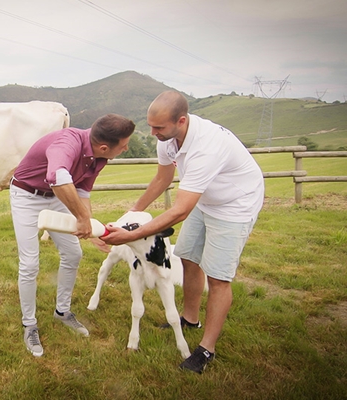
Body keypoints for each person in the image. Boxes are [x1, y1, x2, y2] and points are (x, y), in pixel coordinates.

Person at [102, 90, 264, 374]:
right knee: (188, 258)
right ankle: (190, 319)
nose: (153, 133)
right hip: (205, 199)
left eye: (159, 128)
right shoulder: (167, 138)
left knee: (218, 278)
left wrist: (130, 235)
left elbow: (179, 211)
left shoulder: (207, 146)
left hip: (235, 204)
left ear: (181, 120)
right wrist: (130, 215)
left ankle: (206, 349)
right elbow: (163, 178)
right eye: (151, 126)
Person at [10, 114, 135, 357]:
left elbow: (81, 192)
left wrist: (93, 229)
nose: (126, 147)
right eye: (124, 144)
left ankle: (62, 311)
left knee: (73, 253)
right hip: (26, 195)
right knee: (29, 263)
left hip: (58, 197)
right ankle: (29, 323)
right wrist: (82, 219)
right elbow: (58, 178)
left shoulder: (99, 157)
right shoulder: (67, 142)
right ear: (104, 147)